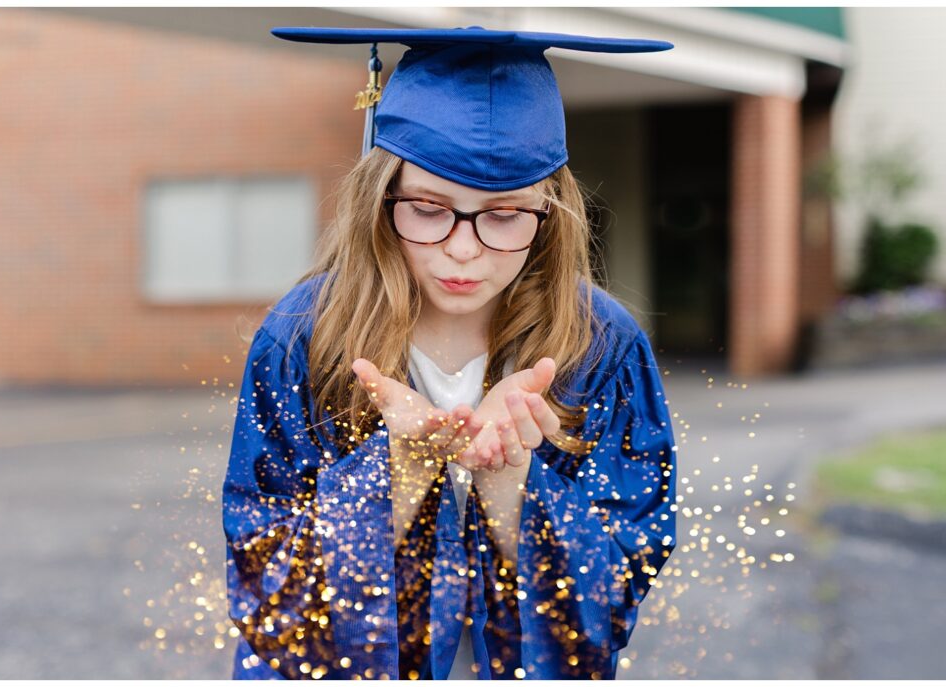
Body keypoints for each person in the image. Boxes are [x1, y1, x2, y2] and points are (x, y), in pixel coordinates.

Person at [222, 26, 677, 680]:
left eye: (503, 214)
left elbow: (609, 603)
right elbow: (268, 594)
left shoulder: (599, 344)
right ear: (382, 197)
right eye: (430, 209)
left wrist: (512, 485)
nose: (463, 249)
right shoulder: (305, 335)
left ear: (550, 208)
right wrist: (399, 470)